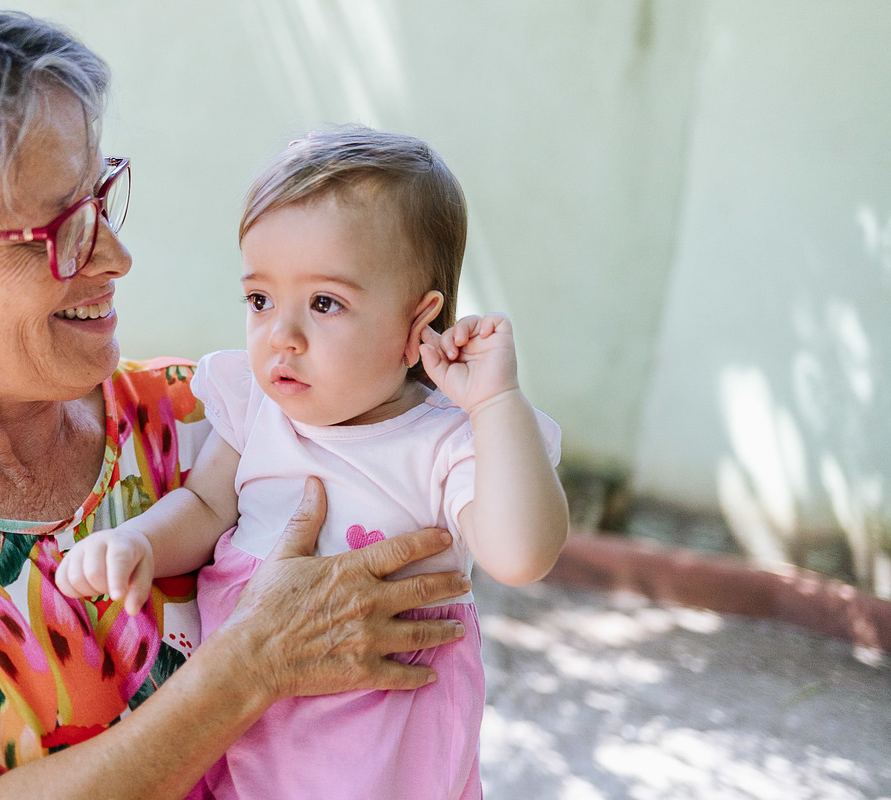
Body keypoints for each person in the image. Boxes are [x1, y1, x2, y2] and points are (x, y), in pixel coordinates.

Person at [0, 4, 474, 799]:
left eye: (99, 199)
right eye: (55, 231)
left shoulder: (207, 416)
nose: (115, 256)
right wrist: (249, 668)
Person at [55, 126, 570, 800]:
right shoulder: (256, 410)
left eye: (325, 303)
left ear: (418, 325)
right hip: (248, 736)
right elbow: (206, 507)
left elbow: (523, 556)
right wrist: (139, 542)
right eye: (260, 300)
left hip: (381, 763)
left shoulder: (444, 443)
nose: (282, 336)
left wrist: (496, 402)